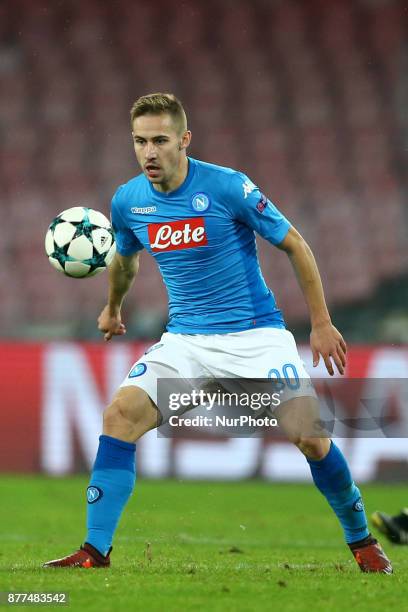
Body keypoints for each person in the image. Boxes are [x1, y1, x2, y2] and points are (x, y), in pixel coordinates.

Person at [43, 93, 392, 573]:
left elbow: (295, 245)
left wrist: (321, 322)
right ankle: (94, 551)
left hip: (255, 338)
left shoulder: (229, 188)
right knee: (119, 415)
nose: (149, 152)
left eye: (160, 140)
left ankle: (363, 543)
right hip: (185, 342)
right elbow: (125, 258)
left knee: (309, 437)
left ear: (184, 140)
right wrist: (112, 307)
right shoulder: (128, 201)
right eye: (140, 141)